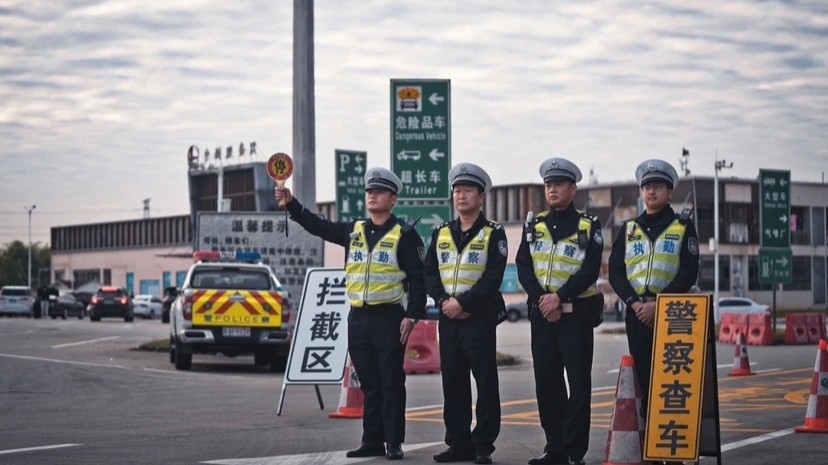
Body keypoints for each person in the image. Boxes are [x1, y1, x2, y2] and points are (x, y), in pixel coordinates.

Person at [275, 167, 426, 461]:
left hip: (390, 318)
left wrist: (413, 316)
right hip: (358, 318)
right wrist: (292, 203)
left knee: (391, 382)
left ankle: (394, 442)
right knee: (369, 382)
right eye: (369, 192)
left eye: (379, 192)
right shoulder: (354, 230)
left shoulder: (404, 235)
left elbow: (418, 279)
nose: (372, 196)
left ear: (393, 199)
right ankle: (372, 441)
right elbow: (318, 226)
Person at [516, 157, 603, 465]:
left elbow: (590, 269)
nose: (552, 189)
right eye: (548, 185)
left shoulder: (588, 226)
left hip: (576, 316)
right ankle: (554, 446)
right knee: (547, 382)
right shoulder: (534, 225)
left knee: (578, 384)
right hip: (543, 315)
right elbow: (524, 267)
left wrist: (560, 296)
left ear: (573, 188)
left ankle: (573, 450)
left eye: (558, 184)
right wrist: (543, 299)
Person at [423, 163, 507, 465]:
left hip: (479, 319)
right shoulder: (441, 232)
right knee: (453, 383)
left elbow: (492, 278)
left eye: (468, 190)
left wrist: (464, 304)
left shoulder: (493, 233)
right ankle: (458, 443)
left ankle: (483, 444)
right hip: (448, 319)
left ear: (480, 196)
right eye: (457, 191)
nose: (461, 196)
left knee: (485, 382)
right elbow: (429, 272)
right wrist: (445, 300)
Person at [608, 159, 700, 423]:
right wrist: (635, 304)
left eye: (658, 186)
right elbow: (615, 271)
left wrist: (658, 305)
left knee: (671, 382)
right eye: (646, 186)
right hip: (637, 314)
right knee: (643, 381)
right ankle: (648, 447)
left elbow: (688, 272)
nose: (651, 191)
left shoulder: (682, 227)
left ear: (670, 192)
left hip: (672, 315)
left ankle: (669, 444)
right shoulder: (628, 229)